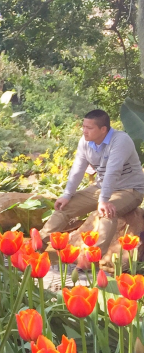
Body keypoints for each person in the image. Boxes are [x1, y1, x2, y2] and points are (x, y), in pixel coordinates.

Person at [41, 109, 144, 255]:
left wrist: (104, 200)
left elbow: (112, 171)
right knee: (64, 207)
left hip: (130, 190)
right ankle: (36, 244)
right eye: (83, 127)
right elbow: (77, 169)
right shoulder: (85, 142)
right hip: (101, 187)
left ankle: (93, 258)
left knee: (107, 212)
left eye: (89, 128)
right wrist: (67, 195)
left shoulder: (121, 140)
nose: (84, 131)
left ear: (103, 129)